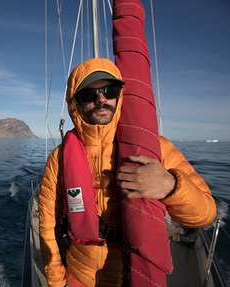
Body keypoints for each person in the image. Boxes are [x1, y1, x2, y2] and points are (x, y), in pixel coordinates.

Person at [38, 57, 217, 287]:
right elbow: (47, 226)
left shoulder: (154, 148)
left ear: (119, 96)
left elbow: (206, 213)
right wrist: (56, 282)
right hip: (78, 274)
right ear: (76, 104)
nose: (101, 99)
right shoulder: (59, 158)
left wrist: (171, 186)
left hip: (132, 272)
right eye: (89, 94)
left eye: (109, 90)